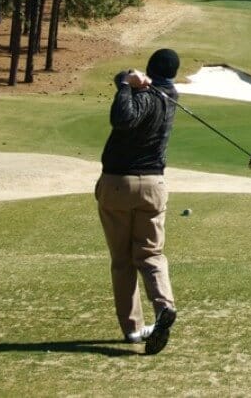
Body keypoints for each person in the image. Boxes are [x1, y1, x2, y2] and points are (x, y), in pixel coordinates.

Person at [95, 47, 181, 354]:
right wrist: (131, 81)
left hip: (118, 183)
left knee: (122, 261)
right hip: (154, 186)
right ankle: (163, 307)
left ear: (149, 69)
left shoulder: (143, 96)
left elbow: (122, 118)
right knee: (150, 255)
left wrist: (124, 85)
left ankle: (132, 330)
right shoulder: (171, 96)